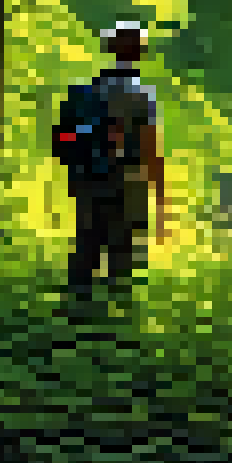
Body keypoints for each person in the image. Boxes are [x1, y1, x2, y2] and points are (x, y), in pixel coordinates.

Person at [61, 21, 168, 301]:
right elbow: (151, 150)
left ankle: (72, 322)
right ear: (140, 54)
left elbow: (65, 141)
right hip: (127, 185)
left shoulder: (88, 91)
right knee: (121, 259)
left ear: (111, 50)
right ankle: (115, 329)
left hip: (88, 182)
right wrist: (161, 200)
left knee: (86, 249)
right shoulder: (142, 95)